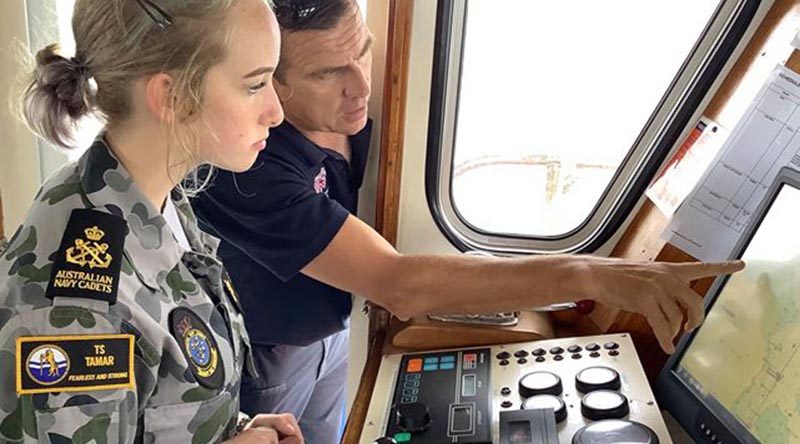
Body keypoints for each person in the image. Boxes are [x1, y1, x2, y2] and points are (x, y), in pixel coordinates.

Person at [191, 0, 745, 442]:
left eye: (362, 53)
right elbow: (398, 283)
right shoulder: (245, 167)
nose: (360, 85)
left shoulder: (347, 114)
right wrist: (591, 273)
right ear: (271, 84)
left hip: (332, 328)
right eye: (328, 72)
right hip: (270, 351)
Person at [0, 0, 304, 443]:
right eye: (255, 84)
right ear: (173, 97)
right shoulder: (75, 308)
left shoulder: (154, 196)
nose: (276, 111)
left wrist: (230, 427)